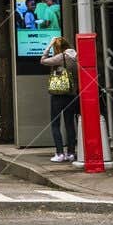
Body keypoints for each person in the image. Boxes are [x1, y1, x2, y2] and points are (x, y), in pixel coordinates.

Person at [40, 35, 79, 163]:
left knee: (55, 124)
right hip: (72, 94)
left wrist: (49, 45)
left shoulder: (61, 57)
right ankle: (71, 153)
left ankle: (60, 153)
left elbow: (43, 60)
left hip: (58, 95)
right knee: (69, 124)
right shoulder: (76, 57)